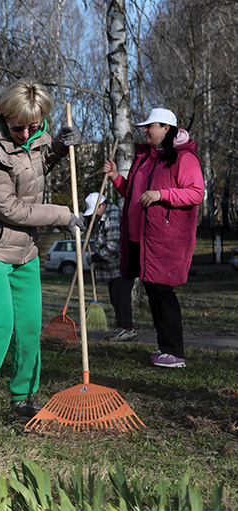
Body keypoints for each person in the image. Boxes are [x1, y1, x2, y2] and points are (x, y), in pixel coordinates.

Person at [0, 78, 85, 434]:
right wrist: (63, 215)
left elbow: (36, 164)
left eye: (35, 126)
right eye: (18, 127)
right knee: (1, 323)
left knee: (29, 326)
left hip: (24, 249)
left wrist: (57, 146)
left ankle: (23, 397)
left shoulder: (36, 133)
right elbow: (10, 208)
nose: (26, 133)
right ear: (4, 116)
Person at [103, 108, 204, 368]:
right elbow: (134, 193)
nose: (145, 130)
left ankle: (174, 353)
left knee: (161, 292)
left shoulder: (183, 158)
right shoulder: (145, 158)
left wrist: (163, 194)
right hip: (140, 239)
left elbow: (195, 193)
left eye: (151, 126)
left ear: (166, 129)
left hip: (165, 238)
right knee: (153, 290)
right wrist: (116, 177)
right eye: (145, 127)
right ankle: (165, 349)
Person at [83, 192, 136, 341]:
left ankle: (127, 328)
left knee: (121, 296)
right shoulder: (102, 216)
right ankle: (121, 327)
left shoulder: (112, 216)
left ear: (103, 205)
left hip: (123, 264)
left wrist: (95, 257)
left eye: (95, 212)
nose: (94, 216)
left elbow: (113, 248)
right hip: (113, 268)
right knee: (115, 297)